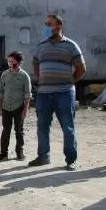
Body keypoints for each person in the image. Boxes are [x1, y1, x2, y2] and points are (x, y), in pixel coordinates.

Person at [29, 14, 86, 171]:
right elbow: (35, 61)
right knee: (42, 126)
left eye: (49, 24)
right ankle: (43, 156)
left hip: (64, 93)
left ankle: (71, 160)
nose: (46, 27)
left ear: (59, 26)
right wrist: (40, 76)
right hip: (44, 94)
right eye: (46, 24)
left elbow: (81, 68)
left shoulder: (71, 45)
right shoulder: (41, 46)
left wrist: (70, 82)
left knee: (68, 127)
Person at [0, 51, 32, 161]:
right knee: (6, 130)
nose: (10, 63)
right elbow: (1, 91)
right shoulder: (5, 74)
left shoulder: (24, 76)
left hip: (19, 107)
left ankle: (19, 152)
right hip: (6, 107)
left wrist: (25, 109)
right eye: (9, 61)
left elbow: (27, 95)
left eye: (13, 61)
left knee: (19, 130)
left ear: (19, 62)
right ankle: (3, 153)